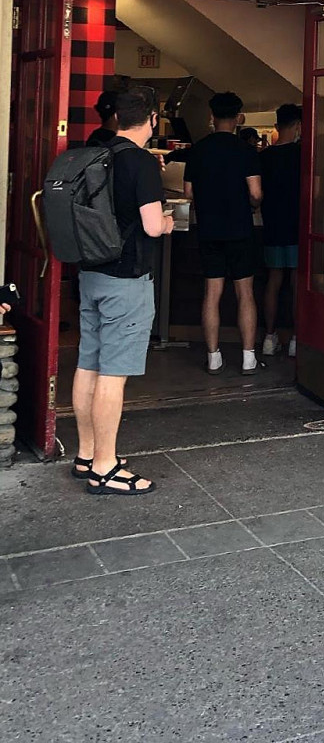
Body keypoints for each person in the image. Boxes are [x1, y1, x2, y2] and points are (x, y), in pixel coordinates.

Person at [72, 84, 173, 496]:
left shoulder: (97, 153)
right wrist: (167, 222)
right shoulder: (141, 162)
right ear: (153, 119)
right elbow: (152, 225)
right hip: (126, 279)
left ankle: (86, 454)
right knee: (114, 374)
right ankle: (105, 467)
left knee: (88, 364)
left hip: (91, 273)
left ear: (116, 117)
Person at [183, 92, 262, 375]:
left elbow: (188, 193)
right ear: (238, 118)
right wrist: (250, 204)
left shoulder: (198, 150)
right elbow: (256, 193)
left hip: (209, 229)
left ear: (212, 117)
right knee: (245, 292)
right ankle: (249, 357)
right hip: (240, 227)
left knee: (212, 292)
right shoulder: (246, 151)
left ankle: (213, 357)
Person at [260, 103, 302, 358]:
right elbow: (316, 192)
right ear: (298, 125)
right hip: (298, 225)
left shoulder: (264, 157)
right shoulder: (303, 155)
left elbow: (256, 194)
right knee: (297, 283)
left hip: (272, 224)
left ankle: (269, 337)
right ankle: (296, 339)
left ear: (276, 126)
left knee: (273, 281)